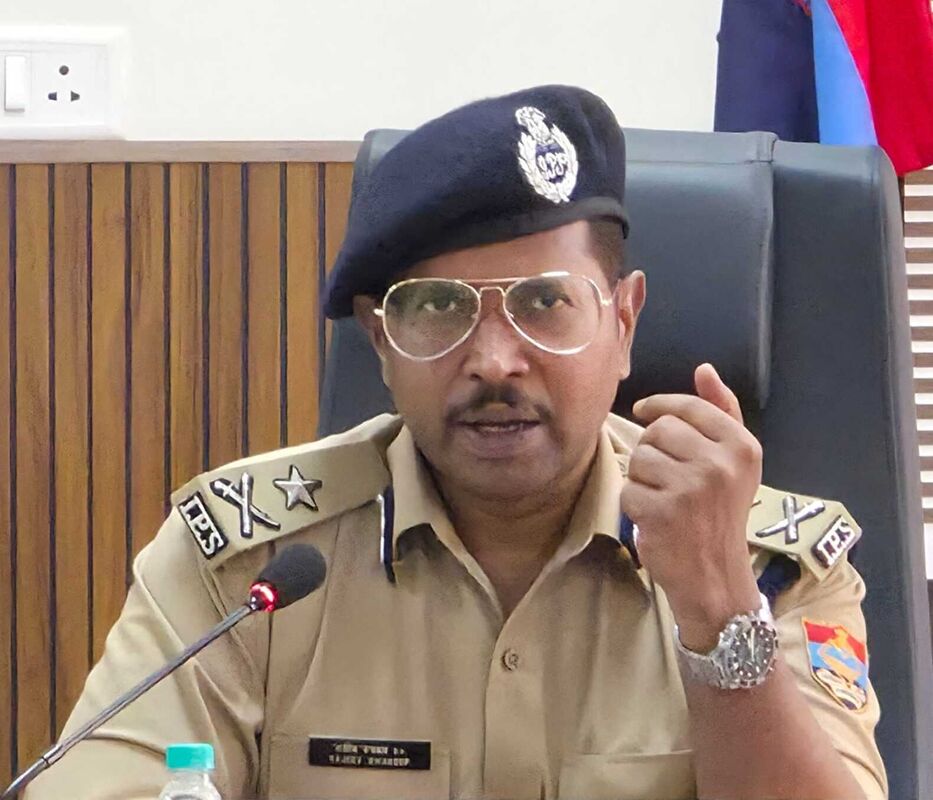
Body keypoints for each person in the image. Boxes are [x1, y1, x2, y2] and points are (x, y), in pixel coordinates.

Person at [25, 85, 886, 800]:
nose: (494, 360)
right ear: (380, 338)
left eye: (544, 302)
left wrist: (721, 615)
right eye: (437, 307)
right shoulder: (248, 566)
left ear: (623, 322)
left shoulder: (767, 566)